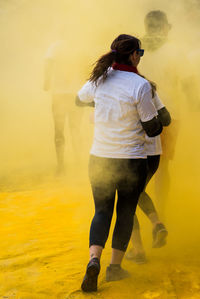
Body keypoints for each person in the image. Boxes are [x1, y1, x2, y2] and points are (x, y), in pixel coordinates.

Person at [76, 34, 165, 292]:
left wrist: (105, 105)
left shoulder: (99, 79)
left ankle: (94, 261)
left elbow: (78, 99)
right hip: (131, 160)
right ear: (135, 55)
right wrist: (157, 123)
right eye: (141, 53)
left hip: (100, 158)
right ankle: (114, 268)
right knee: (125, 213)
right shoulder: (140, 85)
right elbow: (152, 128)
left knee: (101, 212)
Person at [140, 10, 180, 219]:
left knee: (138, 166)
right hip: (169, 115)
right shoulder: (174, 51)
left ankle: (145, 214)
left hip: (140, 116)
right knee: (162, 167)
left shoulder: (136, 50)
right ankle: (160, 214)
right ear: (164, 27)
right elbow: (188, 82)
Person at [126, 91, 171, 264]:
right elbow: (167, 119)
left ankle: (138, 250)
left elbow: (80, 100)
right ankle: (157, 224)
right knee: (137, 192)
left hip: (131, 151)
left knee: (126, 198)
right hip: (154, 153)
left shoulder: (116, 84)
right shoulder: (147, 85)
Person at [43, 40, 84, 174]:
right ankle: (74, 163)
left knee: (61, 130)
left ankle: (63, 165)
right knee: (74, 129)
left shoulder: (55, 46)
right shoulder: (78, 46)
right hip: (74, 94)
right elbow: (87, 67)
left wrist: (47, 82)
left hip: (62, 94)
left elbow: (48, 63)